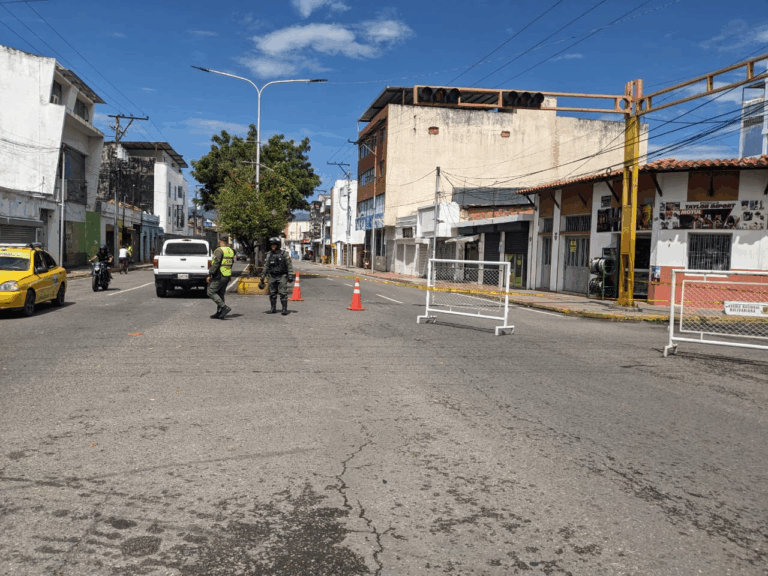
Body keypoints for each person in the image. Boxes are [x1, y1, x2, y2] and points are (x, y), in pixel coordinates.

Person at [259, 237, 294, 315]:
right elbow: (266, 266)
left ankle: (284, 309)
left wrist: (290, 275)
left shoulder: (284, 254)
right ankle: (273, 308)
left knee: (283, 293)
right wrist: (262, 277)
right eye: (271, 245)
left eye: (274, 245)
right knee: (272, 293)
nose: (272, 247)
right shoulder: (269, 254)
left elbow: (289, 265)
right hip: (272, 276)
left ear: (278, 245)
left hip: (282, 276)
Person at [206, 236, 234, 319]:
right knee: (221, 294)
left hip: (219, 274)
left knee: (211, 292)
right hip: (227, 274)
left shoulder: (219, 250)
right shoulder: (230, 250)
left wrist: (210, 274)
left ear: (220, 241)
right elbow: (231, 263)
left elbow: (216, 264)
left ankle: (224, 307)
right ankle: (220, 313)